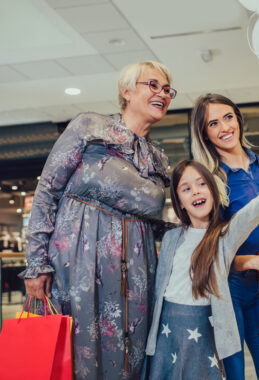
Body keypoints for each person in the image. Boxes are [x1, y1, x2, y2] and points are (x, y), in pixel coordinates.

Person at [18, 61, 177, 379]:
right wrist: (36, 264)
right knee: (73, 354)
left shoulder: (159, 158)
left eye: (167, 89)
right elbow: (47, 191)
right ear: (126, 91)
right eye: (153, 85)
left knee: (130, 352)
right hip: (75, 265)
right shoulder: (90, 125)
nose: (162, 93)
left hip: (137, 275)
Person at [145, 160, 259, 379]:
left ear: (212, 190)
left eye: (201, 184)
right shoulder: (171, 238)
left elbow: (246, 219)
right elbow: (159, 287)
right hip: (168, 331)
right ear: (179, 201)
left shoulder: (223, 237)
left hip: (202, 331)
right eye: (186, 188)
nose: (196, 192)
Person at [190, 93, 259, 380]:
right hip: (229, 290)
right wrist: (251, 262)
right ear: (204, 134)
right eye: (213, 123)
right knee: (233, 374)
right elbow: (209, 246)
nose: (224, 127)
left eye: (228, 117)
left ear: (239, 119)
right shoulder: (210, 177)